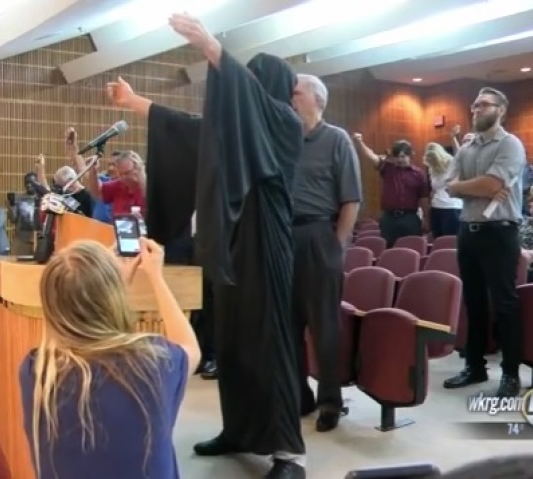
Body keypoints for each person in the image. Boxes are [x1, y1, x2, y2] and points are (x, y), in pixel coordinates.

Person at [106, 13, 307, 478]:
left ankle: (288, 453)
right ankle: (238, 429)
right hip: (233, 242)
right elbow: (191, 128)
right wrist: (136, 101)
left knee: (270, 341)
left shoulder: (284, 123)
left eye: (251, 82)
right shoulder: (237, 132)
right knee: (233, 340)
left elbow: (249, 99)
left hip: (268, 243)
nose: (240, 92)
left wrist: (210, 45)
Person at [19, 239, 200, 479]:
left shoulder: (38, 370)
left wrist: (105, 280)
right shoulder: (152, 361)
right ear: (112, 298)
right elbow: (190, 348)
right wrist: (156, 277)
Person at [442, 86, 526, 398]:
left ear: (501, 110)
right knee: (474, 302)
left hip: (499, 232)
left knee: (505, 303)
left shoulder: (510, 144)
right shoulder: (466, 149)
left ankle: (511, 373)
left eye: (484, 105)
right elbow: (446, 186)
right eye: (474, 105)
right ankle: (475, 366)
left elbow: (492, 183)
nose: (476, 109)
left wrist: (471, 186)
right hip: (468, 231)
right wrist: (473, 187)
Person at [291, 73, 362, 432]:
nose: (291, 98)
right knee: (288, 327)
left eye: (296, 92)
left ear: (317, 99)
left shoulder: (336, 140)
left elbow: (351, 198)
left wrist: (337, 245)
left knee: (324, 327)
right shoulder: (283, 139)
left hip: (320, 233)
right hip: (284, 237)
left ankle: (330, 401)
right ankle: (299, 395)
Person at [424, 142, 462, 237]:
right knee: (438, 239)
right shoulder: (432, 168)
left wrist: (453, 139)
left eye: (433, 158)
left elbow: (460, 156)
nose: (432, 162)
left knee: (450, 240)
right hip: (436, 207)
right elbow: (435, 189)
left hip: (451, 207)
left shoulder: (451, 163)